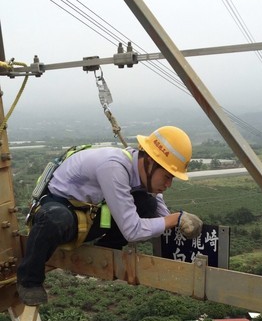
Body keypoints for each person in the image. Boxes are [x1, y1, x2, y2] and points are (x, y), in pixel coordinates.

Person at [17, 126, 203, 306]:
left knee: (147, 204)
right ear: (151, 163)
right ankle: (29, 280)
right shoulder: (114, 167)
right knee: (56, 219)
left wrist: (178, 220)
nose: (169, 184)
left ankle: (106, 249)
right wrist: (175, 219)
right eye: (167, 177)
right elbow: (133, 231)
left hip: (87, 211)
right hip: (59, 208)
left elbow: (160, 213)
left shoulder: (141, 169)